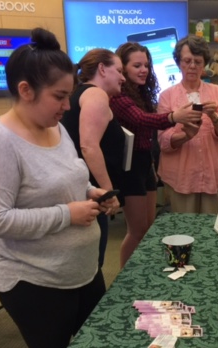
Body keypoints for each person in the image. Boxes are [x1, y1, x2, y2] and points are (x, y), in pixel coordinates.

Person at [0, 28, 117, 348]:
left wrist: (92, 192)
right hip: (35, 280)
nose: (67, 106)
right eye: (60, 96)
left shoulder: (55, 128)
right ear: (25, 90)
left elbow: (69, 177)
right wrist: (66, 214)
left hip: (81, 270)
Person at [111, 42, 202, 267]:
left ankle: (140, 270)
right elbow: (142, 120)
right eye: (137, 66)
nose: (144, 70)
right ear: (122, 68)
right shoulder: (118, 96)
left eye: (146, 65)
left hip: (145, 163)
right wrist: (173, 117)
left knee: (147, 228)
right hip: (130, 167)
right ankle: (125, 276)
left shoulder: (142, 93)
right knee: (136, 231)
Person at [61, 48, 126, 267]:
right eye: (119, 71)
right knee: (91, 262)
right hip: (90, 193)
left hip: (82, 189)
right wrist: (108, 192)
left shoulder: (81, 93)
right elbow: (89, 146)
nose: (123, 78)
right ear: (102, 69)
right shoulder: (96, 94)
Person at [157, 35, 218, 214]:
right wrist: (185, 135)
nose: (192, 66)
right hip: (181, 175)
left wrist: (214, 116)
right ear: (178, 63)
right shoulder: (166, 96)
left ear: (204, 64)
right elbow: (163, 142)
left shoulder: (217, 92)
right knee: (184, 226)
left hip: (213, 172)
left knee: (213, 225)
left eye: (198, 61)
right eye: (187, 61)